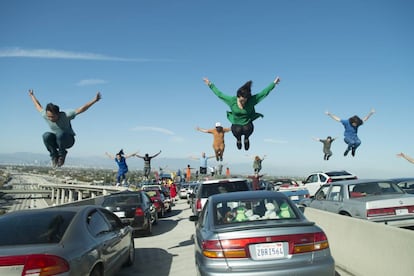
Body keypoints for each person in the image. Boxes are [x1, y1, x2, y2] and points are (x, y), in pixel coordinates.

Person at [203, 76, 281, 150]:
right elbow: (219, 94)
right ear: (238, 96)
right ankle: (238, 140)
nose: (243, 102)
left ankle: (246, 139)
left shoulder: (251, 101)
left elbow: (264, 93)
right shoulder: (232, 101)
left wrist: (274, 83)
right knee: (237, 130)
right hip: (236, 123)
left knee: (247, 128)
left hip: (247, 123)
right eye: (241, 100)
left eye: (245, 100)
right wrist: (210, 84)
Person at [29, 89, 101, 167]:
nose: (50, 119)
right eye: (49, 116)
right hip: (57, 141)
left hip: (68, 140)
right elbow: (37, 105)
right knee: (46, 135)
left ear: (58, 114)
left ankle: (62, 156)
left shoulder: (66, 115)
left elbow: (81, 109)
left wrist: (94, 100)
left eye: (53, 117)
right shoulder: (45, 115)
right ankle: (54, 156)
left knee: (60, 134)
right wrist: (32, 95)